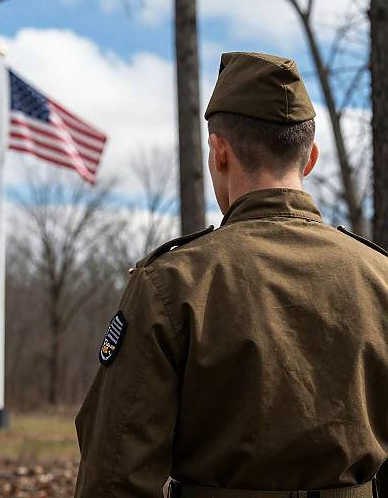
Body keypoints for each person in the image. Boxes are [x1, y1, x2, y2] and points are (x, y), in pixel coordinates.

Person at [74, 52, 388, 498]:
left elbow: (114, 474)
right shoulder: (381, 278)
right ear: (310, 157)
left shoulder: (174, 283)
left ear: (220, 152)